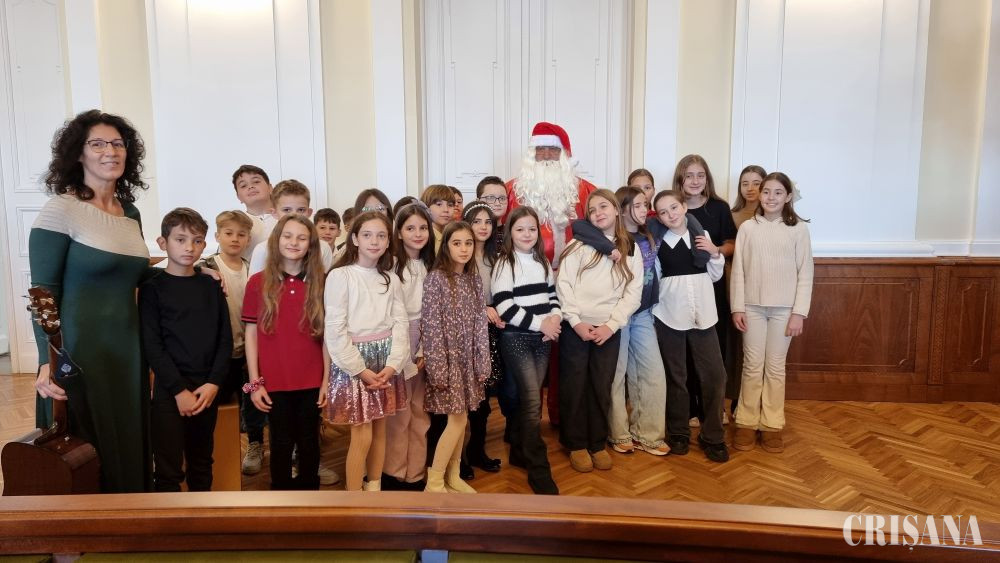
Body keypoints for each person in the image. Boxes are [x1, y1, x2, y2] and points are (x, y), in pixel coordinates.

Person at [31, 109, 154, 492]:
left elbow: (134, 275)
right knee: (84, 450)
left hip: (126, 348)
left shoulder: (130, 213)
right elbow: (43, 294)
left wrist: (196, 271)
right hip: (78, 351)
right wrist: (45, 361)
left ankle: (129, 515)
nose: (110, 151)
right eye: (97, 144)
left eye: (117, 143)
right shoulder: (61, 209)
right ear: (78, 153)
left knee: (126, 437)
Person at [504, 121, 598, 426]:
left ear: (565, 155)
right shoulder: (512, 190)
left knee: (565, 356)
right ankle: (521, 425)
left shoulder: (585, 191)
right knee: (525, 357)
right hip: (524, 287)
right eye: (540, 149)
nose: (545, 156)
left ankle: (562, 417)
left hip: (574, 285)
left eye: (552, 150)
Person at [571, 186, 668, 456]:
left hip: (641, 312)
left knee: (652, 372)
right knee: (615, 374)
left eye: (645, 204)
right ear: (622, 209)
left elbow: (683, 215)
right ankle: (618, 432)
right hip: (613, 316)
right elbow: (579, 225)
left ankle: (649, 434)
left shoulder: (648, 231)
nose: (644, 210)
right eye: (637, 205)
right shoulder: (597, 235)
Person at [140, 208, 232, 492]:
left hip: (207, 389)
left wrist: (214, 383)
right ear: (163, 242)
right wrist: (179, 391)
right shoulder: (152, 289)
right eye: (180, 239)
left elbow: (225, 339)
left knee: (202, 462)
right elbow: (152, 345)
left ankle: (201, 518)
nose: (189, 247)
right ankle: (170, 521)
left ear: (205, 244)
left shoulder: (211, 285)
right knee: (168, 468)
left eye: (197, 240)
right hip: (170, 391)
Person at [556, 190, 642, 472]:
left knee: (600, 386)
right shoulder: (577, 246)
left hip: (608, 329)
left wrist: (611, 325)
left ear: (617, 210)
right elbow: (564, 286)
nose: (598, 213)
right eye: (592, 210)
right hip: (577, 327)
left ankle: (596, 443)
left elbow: (633, 292)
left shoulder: (630, 247)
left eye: (603, 206)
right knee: (574, 386)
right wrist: (575, 321)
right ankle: (576, 443)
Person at [243, 215, 330, 490]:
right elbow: (251, 335)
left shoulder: (322, 283)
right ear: (276, 240)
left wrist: (326, 381)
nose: (294, 242)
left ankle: (309, 495)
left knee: (309, 441)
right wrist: (254, 383)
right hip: (273, 381)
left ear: (310, 244)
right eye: (288, 236)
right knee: (280, 442)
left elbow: (328, 338)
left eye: (302, 238)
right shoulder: (257, 282)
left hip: (312, 380)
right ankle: (280, 498)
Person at [325, 211, 410, 491]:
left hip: (385, 359)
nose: (374, 241)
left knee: (380, 429)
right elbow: (335, 328)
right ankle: (353, 498)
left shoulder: (391, 279)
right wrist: (359, 369)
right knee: (362, 434)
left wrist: (393, 364)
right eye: (367, 235)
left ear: (388, 241)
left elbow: (400, 323)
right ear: (354, 239)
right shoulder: (340, 276)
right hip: (355, 361)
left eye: (381, 235)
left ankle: (374, 488)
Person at [730, 172, 813, 454]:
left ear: (788, 196)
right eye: (766, 191)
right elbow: (738, 271)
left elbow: (805, 273)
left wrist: (799, 313)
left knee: (775, 367)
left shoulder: (798, 230)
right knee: (752, 366)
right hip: (752, 308)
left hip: (784, 310)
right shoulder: (748, 228)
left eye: (778, 192)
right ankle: (746, 421)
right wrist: (737, 307)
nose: (771, 197)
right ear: (759, 194)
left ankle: (772, 424)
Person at [650, 191, 729, 463]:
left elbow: (715, 275)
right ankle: (678, 432)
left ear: (684, 207)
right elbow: (655, 277)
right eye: (663, 212)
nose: (670, 214)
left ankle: (713, 435)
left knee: (715, 376)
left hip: (703, 315)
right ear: (659, 217)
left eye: (674, 207)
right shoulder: (658, 242)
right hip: (669, 315)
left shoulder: (700, 235)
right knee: (677, 376)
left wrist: (715, 252)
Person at [492, 207, 562, 495]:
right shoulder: (505, 263)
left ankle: (520, 451)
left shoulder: (541, 261)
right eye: (520, 229)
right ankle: (538, 467)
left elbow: (553, 296)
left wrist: (555, 319)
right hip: (516, 338)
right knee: (533, 401)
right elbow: (505, 306)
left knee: (531, 399)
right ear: (510, 232)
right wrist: (541, 324)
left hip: (541, 339)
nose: (527, 234)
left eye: (532, 228)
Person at [422, 222, 491, 493]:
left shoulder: (474, 279)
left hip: (468, 361)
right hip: (448, 361)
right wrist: (438, 368)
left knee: (462, 421)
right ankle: (434, 482)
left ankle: (453, 475)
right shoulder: (436, 279)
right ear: (446, 246)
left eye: (468, 243)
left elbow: (480, 324)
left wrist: (482, 360)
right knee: (457, 420)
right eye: (457, 243)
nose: (464, 249)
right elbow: (431, 327)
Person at [672, 155, 737, 428]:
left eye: (700, 175)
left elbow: (732, 243)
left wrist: (716, 250)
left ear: (707, 178)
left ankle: (713, 408)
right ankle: (689, 408)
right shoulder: (673, 208)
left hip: (711, 290)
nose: (695, 180)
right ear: (680, 179)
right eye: (689, 175)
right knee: (684, 351)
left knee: (713, 351)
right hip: (680, 293)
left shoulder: (719, 208)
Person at [382, 202, 436, 491]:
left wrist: (425, 348)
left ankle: (415, 473)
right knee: (398, 412)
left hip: (425, 338)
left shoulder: (431, 265)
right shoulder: (391, 265)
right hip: (398, 338)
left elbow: (433, 312)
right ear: (399, 232)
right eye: (410, 228)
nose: (417, 234)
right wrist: (403, 352)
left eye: (423, 228)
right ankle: (393, 472)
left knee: (419, 410)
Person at [197, 210, 253, 433]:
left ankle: (250, 438)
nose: (235, 239)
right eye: (229, 233)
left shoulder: (251, 268)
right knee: (219, 400)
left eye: (241, 234)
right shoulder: (207, 266)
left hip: (246, 347)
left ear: (248, 239)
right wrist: (199, 269)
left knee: (246, 398)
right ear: (218, 236)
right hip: (218, 349)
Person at [462, 202, 503, 474]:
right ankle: (458, 457)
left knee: (485, 396)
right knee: (467, 394)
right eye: (477, 221)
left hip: (491, 331)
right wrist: (482, 309)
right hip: (467, 332)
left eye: (488, 222)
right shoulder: (460, 256)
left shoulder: (495, 256)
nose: (483, 227)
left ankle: (477, 450)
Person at [249, 180, 335, 275]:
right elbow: (254, 283)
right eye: (287, 210)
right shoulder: (262, 249)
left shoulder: (323, 248)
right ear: (274, 213)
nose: (294, 215)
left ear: (309, 212)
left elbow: (324, 282)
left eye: (301, 210)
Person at [231, 164, 275, 260]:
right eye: (243, 185)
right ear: (238, 197)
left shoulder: (288, 216)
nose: (250, 186)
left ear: (270, 188)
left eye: (256, 181)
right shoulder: (234, 223)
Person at [420, 184, 455, 252]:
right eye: (439, 204)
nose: (446, 210)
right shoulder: (424, 238)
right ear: (426, 207)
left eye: (450, 205)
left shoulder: (451, 234)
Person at [731, 165, 766, 229]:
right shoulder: (730, 215)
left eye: (756, 184)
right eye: (745, 184)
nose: (749, 188)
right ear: (740, 187)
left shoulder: (772, 215)